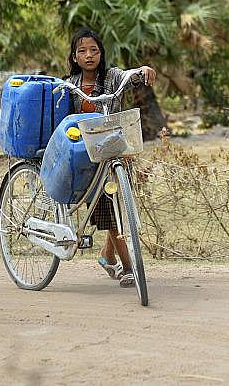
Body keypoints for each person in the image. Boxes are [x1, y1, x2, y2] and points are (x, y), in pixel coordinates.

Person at [64, 28, 156, 287]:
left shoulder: (112, 77)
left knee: (119, 207)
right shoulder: (69, 85)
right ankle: (128, 267)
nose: (89, 55)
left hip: (117, 153)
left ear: (101, 53)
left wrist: (142, 70)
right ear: (74, 57)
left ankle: (107, 255)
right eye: (82, 51)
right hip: (89, 159)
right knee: (109, 210)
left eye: (94, 50)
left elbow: (131, 76)